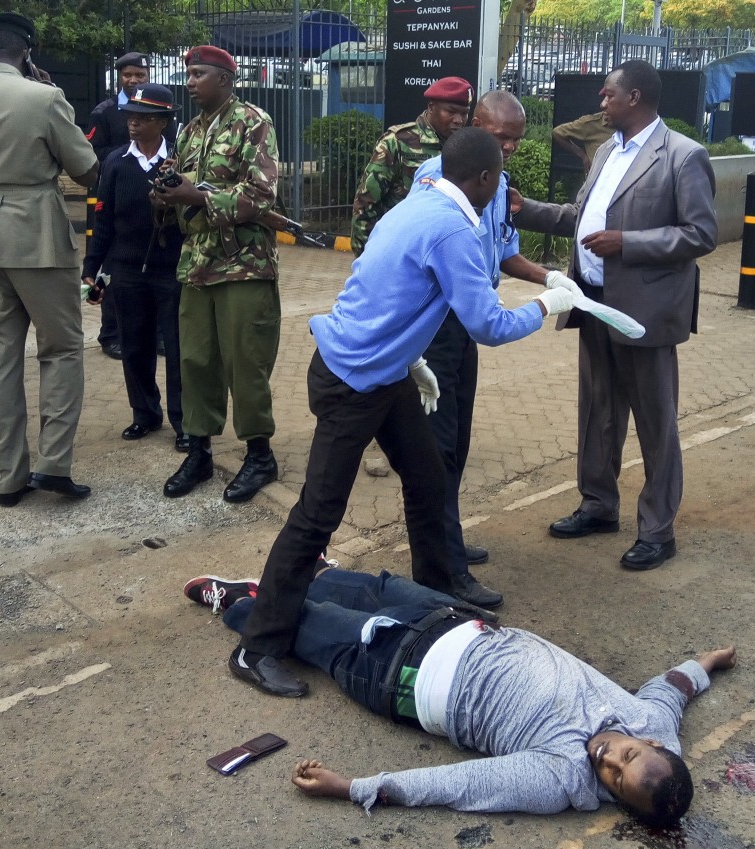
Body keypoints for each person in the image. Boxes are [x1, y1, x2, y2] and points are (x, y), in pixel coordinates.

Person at [224, 127, 578, 698]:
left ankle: (436, 594)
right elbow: (487, 325)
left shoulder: (417, 203)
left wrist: (411, 359)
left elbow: (390, 290)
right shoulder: (452, 230)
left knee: (426, 475)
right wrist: (547, 303)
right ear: (485, 179)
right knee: (317, 516)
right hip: (352, 381)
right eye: (499, 176)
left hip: (383, 373)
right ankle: (256, 647)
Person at [184, 568, 735, 819]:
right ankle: (299, 572)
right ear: (655, 745)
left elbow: (458, 783)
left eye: (616, 781)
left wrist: (353, 787)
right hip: (459, 622)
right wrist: (706, 664)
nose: (609, 759)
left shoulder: (558, 779)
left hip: (400, 671)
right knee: (353, 583)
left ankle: (233, 601)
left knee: (302, 622)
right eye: (628, 756)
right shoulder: (653, 723)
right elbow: (672, 691)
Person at [512, 60, 717, 572]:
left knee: (655, 422)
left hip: (644, 312)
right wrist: (525, 207)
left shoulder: (682, 156)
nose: (601, 104)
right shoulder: (606, 151)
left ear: (636, 97)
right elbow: (581, 220)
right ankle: (599, 505)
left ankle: (657, 530)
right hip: (595, 302)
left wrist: (627, 243)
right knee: (598, 412)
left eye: (608, 95)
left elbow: (700, 235)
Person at [406, 90, 586, 609]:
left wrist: (550, 276)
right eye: (499, 136)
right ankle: (443, 574)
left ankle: (449, 541)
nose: (507, 147)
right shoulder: (438, 178)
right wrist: (542, 307)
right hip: (436, 328)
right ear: (473, 126)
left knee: (457, 443)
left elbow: (503, 255)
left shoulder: (495, 181)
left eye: (515, 139)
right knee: (434, 451)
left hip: (464, 328)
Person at [0, 12, 100, 507]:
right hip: (37, 234)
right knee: (63, 348)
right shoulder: (46, 98)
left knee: (0, 360)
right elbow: (87, 170)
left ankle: (9, 478)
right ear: (25, 53)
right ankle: (53, 465)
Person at [152, 44, 282, 504]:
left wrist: (198, 198)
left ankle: (260, 455)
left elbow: (262, 196)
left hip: (244, 265)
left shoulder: (253, 122)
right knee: (196, 363)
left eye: (198, 74)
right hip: (197, 264)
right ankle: (200, 450)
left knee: (245, 364)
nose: (189, 82)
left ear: (225, 79)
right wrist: (166, 192)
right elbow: (179, 180)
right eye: (187, 74)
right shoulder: (189, 131)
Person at [83, 83, 188, 451]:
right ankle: (144, 414)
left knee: (177, 349)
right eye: (130, 117)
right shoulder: (115, 162)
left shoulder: (179, 160)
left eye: (143, 118)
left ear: (162, 122)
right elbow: (103, 221)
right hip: (126, 272)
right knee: (135, 347)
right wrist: (91, 268)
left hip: (171, 271)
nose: (133, 124)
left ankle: (184, 422)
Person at [348, 76, 472, 255]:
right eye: (451, 112)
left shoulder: (465, 148)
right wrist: (367, 259)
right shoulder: (397, 142)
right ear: (431, 108)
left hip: (443, 253)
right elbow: (366, 203)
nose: (459, 120)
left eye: (464, 113)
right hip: (399, 250)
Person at [87, 51, 153, 360]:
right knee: (111, 270)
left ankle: (157, 335)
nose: (135, 80)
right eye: (129, 75)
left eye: (140, 75)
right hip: (113, 200)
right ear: (119, 77)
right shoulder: (105, 112)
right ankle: (110, 335)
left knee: (153, 268)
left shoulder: (159, 108)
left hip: (150, 203)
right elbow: (93, 153)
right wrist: (128, 154)